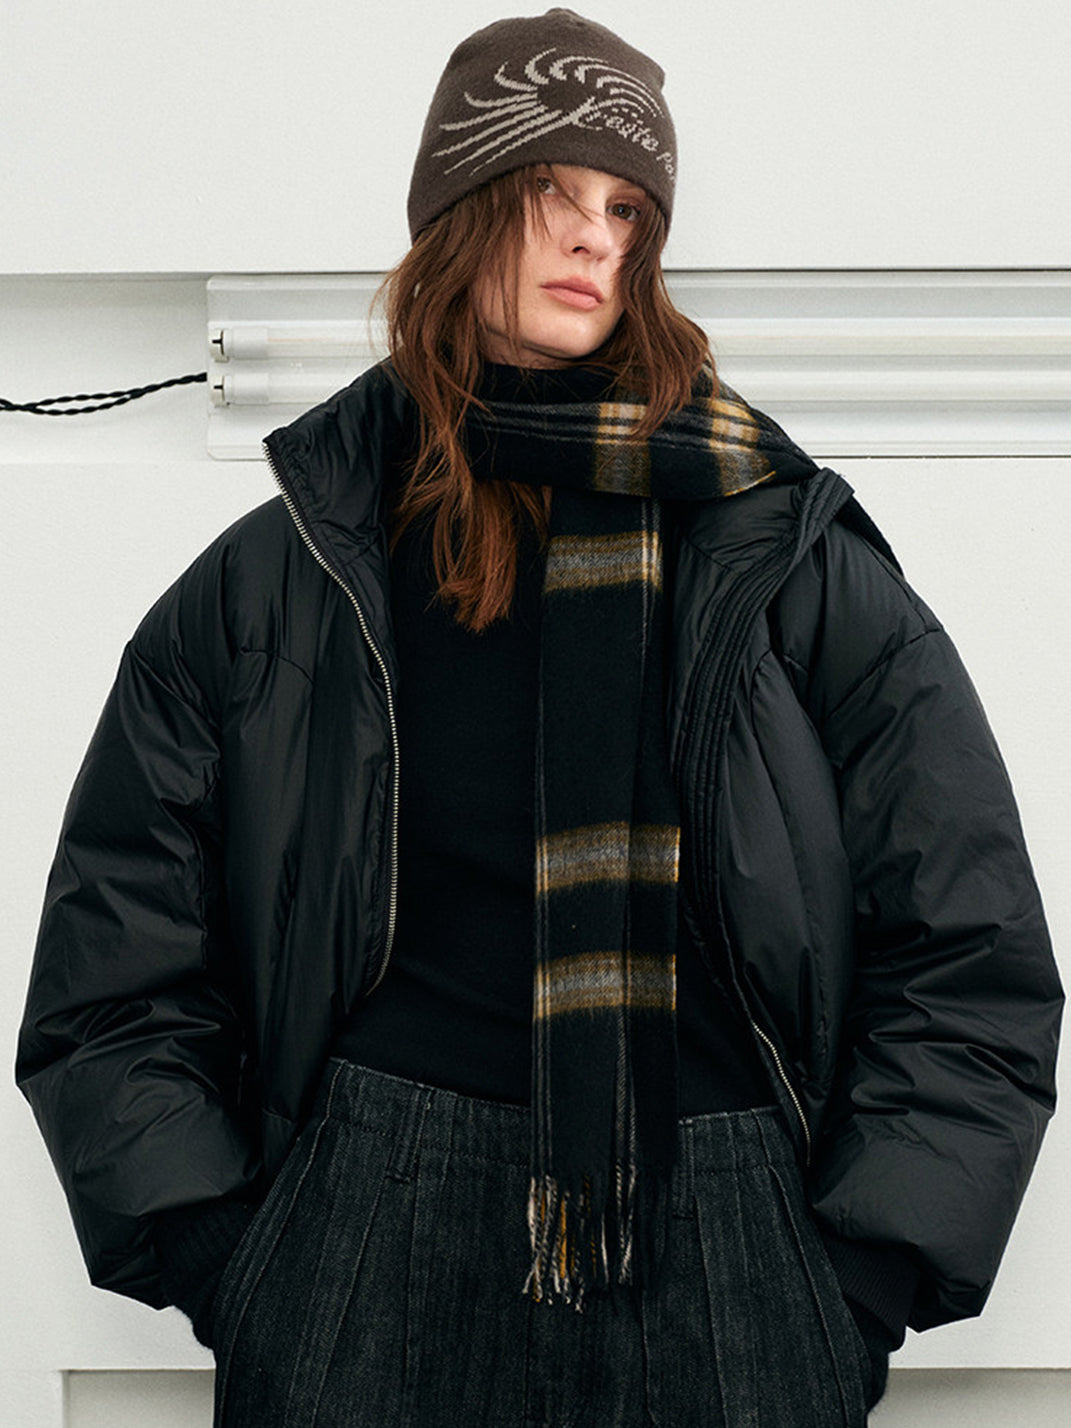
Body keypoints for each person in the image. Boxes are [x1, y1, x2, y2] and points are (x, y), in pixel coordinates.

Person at [16, 9, 1062, 1426]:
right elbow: (115, 962)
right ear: (459, 212)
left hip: (728, 1235)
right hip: (368, 1230)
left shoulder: (781, 552)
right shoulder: (287, 576)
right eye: (552, 193)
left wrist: (859, 1279)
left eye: (627, 209)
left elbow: (970, 944)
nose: (594, 238)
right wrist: (228, 1256)